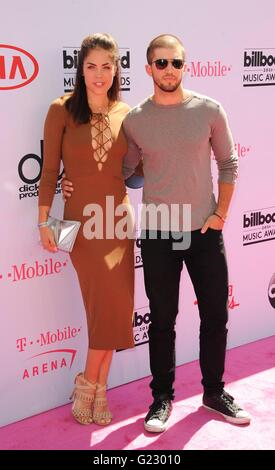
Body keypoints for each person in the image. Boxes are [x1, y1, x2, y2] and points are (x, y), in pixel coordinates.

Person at [62, 34, 251, 432]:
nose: (169, 70)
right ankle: (161, 399)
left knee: (215, 315)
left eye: (176, 63)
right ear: (148, 68)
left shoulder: (210, 110)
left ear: (186, 66)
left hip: (202, 231)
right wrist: (73, 182)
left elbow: (229, 165)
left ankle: (215, 392)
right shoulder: (136, 120)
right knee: (162, 320)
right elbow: (125, 172)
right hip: (159, 234)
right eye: (160, 63)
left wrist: (220, 214)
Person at [38, 33, 135, 426]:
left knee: (116, 308)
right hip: (79, 223)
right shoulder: (60, 109)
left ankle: (98, 387)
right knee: (101, 306)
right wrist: (45, 219)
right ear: (80, 69)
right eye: (92, 66)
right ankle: (86, 383)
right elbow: (47, 173)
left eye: (107, 66)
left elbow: (137, 172)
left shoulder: (128, 113)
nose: (99, 75)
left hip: (119, 221)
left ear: (116, 70)